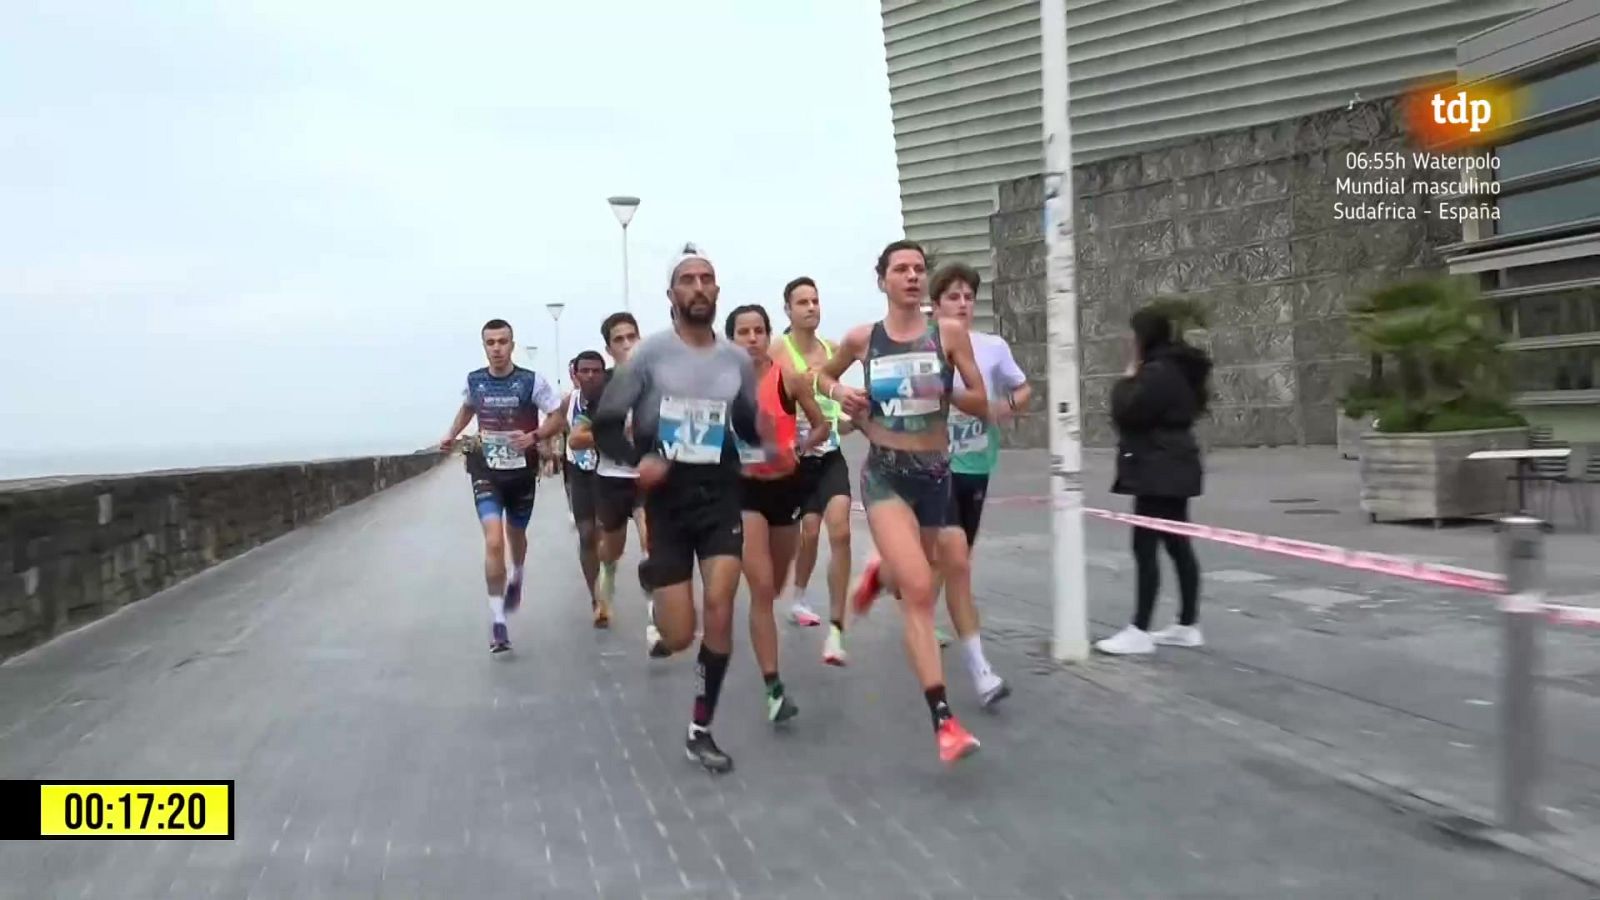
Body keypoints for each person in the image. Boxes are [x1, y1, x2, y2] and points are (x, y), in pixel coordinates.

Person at [592, 243, 768, 774]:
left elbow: (746, 426)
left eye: (707, 278)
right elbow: (605, 423)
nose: (698, 287)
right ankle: (653, 584)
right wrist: (636, 459)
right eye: (687, 279)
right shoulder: (648, 356)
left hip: (720, 500)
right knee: (677, 635)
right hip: (666, 505)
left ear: (717, 290)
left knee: (720, 605)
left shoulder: (736, 359)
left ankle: (701, 729)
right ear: (671, 295)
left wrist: (765, 458)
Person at [813, 239, 989, 766]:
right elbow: (822, 375)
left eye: (918, 269)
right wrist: (840, 394)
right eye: (901, 269)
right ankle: (944, 722)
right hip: (886, 474)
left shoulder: (948, 334)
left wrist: (942, 390)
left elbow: (981, 399)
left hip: (936, 475)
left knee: (913, 574)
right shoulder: (864, 339)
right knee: (919, 591)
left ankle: (878, 573)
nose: (912, 277)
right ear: (883, 280)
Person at [923, 262, 1030, 707]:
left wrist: (1006, 404)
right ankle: (979, 670)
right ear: (936, 304)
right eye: (953, 296)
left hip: (977, 461)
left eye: (968, 296)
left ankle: (909, 596)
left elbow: (1023, 389)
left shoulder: (992, 347)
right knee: (955, 559)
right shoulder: (920, 344)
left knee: (957, 554)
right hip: (932, 464)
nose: (962, 304)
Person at [726, 303, 831, 725]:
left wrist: (800, 449)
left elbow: (820, 425)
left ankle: (771, 675)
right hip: (742, 492)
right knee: (762, 588)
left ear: (769, 335)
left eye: (758, 331)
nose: (751, 338)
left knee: (775, 585)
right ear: (730, 339)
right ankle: (773, 687)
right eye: (742, 332)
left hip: (784, 488)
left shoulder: (786, 376)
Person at [438, 319, 566, 653]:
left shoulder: (530, 381)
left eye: (503, 341)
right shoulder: (475, 381)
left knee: (516, 535)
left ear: (512, 344)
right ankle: (498, 621)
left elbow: (557, 416)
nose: (497, 348)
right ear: (484, 346)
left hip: (521, 472)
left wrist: (534, 436)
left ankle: (518, 574)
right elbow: (468, 408)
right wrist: (451, 434)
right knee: (494, 541)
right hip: (486, 469)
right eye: (490, 342)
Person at [1094, 307, 1212, 656]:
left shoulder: (1157, 373)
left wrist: (1129, 378)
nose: (1129, 341)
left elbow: (1127, 411)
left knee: (1146, 546)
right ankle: (1187, 624)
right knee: (1177, 545)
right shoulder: (1177, 368)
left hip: (1159, 468)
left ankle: (1140, 629)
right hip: (1174, 463)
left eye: (1133, 335)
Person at [773, 276, 856, 666]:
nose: (811, 307)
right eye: (802, 302)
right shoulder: (778, 351)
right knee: (808, 532)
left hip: (831, 453)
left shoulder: (833, 350)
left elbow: (838, 399)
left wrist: (856, 416)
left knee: (840, 530)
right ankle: (800, 596)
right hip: (797, 459)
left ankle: (837, 628)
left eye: (815, 300)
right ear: (787, 310)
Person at [572, 312, 664, 654]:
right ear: (609, 349)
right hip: (611, 480)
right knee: (611, 549)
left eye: (632, 337)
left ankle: (655, 624)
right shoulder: (600, 387)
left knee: (651, 546)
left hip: (647, 478)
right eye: (619, 340)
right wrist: (609, 430)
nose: (628, 345)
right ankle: (606, 577)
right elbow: (576, 440)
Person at [563, 351, 611, 625]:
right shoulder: (570, 402)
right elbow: (556, 424)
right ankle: (596, 596)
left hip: (607, 472)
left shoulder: (613, 399)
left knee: (604, 533)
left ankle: (605, 588)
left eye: (596, 371)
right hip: (579, 473)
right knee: (586, 534)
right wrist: (536, 438)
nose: (591, 375)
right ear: (576, 374)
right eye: (585, 371)